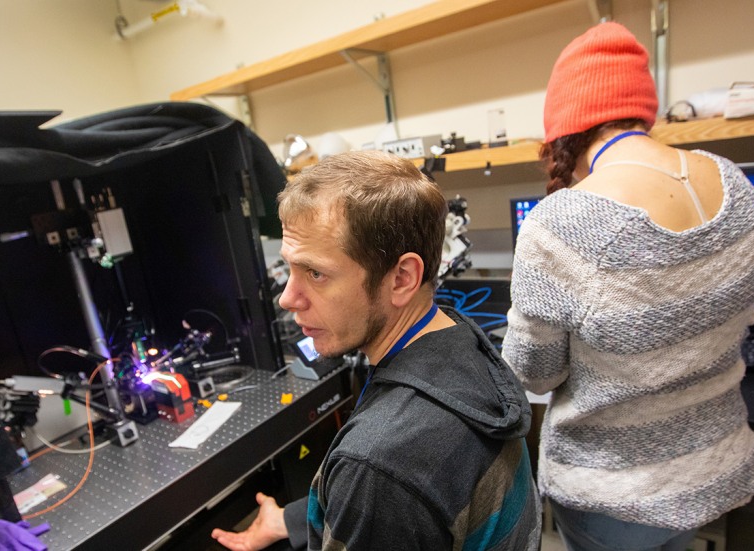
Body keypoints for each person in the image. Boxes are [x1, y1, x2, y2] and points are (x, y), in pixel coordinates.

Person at [502, 21, 754, 551]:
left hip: (614, 493)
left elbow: (531, 372)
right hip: (707, 470)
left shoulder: (563, 220)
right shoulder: (736, 184)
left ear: (566, 131)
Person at [212, 150, 541, 550]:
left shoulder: (380, 465)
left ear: (401, 278)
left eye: (315, 273)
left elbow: (384, 482)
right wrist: (288, 520)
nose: (288, 298)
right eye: (291, 269)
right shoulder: (459, 338)